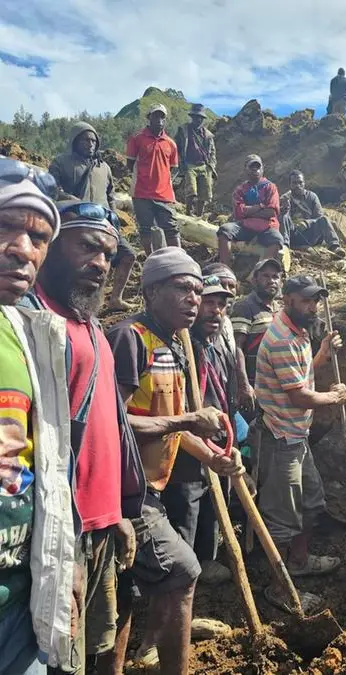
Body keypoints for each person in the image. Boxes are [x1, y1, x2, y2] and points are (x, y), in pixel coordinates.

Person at [107, 247, 244, 675]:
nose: (193, 299)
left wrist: (214, 459)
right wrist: (186, 418)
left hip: (152, 488)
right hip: (126, 489)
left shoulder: (177, 345)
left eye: (197, 290)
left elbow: (177, 430)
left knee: (127, 591)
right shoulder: (130, 338)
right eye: (183, 288)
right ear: (150, 291)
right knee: (183, 571)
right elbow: (113, 424)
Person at [28, 201, 144, 675]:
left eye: (109, 255)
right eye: (87, 247)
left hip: (99, 525)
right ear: (51, 246)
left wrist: (115, 511)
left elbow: (103, 429)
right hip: (57, 537)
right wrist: (61, 547)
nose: (100, 263)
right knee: (60, 660)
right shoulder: (33, 322)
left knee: (95, 649)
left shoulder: (92, 325)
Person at [0, 161, 76, 675]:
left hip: (19, 596)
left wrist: (59, 559)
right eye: (5, 227)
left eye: (38, 236)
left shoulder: (30, 335)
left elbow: (43, 462)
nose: (24, 249)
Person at [255, 275, 346, 613]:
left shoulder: (299, 331)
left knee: (311, 502)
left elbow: (302, 373)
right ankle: (279, 589)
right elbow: (299, 396)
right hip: (281, 438)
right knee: (282, 517)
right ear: (288, 298)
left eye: (315, 301)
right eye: (306, 300)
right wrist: (333, 397)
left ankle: (300, 561)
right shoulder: (280, 338)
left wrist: (321, 354)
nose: (312, 306)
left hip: (297, 436)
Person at [161, 274, 238, 587]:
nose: (215, 310)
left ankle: (207, 559)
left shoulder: (216, 345)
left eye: (221, 305)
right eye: (209, 302)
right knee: (187, 504)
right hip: (187, 443)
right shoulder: (179, 348)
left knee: (213, 502)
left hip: (218, 440)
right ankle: (182, 575)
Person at [49, 122, 136, 311]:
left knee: (128, 255)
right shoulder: (61, 162)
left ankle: (115, 299)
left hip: (104, 225)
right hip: (75, 223)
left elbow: (110, 194)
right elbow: (52, 189)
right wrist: (72, 201)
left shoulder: (104, 167)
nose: (90, 144)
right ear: (74, 141)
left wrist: (114, 218)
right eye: (85, 139)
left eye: (93, 140)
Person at [127, 104, 180, 254]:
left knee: (172, 228)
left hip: (164, 194)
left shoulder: (171, 144)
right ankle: (151, 259)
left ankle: (178, 258)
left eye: (162, 116)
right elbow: (130, 164)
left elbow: (172, 167)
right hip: (141, 193)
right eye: (156, 116)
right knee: (145, 229)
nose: (159, 119)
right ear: (149, 117)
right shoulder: (137, 139)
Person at [201, 262, 255, 411]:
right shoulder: (199, 332)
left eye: (231, 286)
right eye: (209, 302)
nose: (226, 290)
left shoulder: (226, 324)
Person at [217, 155, 284, 267]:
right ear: (245, 169)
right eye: (251, 168)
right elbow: (239, 212)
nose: (255, 170)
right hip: (245, 227)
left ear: (262, 169)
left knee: (277, 239)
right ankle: (225, 267)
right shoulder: (240, 189)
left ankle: (258, 272)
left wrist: (248, 211)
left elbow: (272, 212)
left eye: (258, 168)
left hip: (267, 228)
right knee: (224, 230)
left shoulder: (270, 187)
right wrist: (261, 206)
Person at [230, 258, 283, 386]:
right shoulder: (244, 307)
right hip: (256, 386)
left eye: (275, 277)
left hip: (277, 385)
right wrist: (244, 384)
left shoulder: (280, 310)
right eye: (265, 276)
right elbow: (237, 347)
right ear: (254, 280)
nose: (271, 281)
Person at [280, 171, 345, 257]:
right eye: (294, 183)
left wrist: (306, 223)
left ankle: (335, 248)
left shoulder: (312, 197)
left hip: (310, 234)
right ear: (290, 184)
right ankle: (285, 247)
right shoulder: (285, 198)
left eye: (300, 182)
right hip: (293, 233)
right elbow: (283, 219)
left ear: (304, 183)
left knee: (324, 219)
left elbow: (319, 217)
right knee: (283, 216)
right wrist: (284, 209)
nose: (298, 185)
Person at [175, 104, 217, 217]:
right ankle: (188, 213)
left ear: (203, 119)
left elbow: (212, 152)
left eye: (200, 118)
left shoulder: (207, 135)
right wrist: (180, 163)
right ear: (191, 117)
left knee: (204, 194)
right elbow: (177, 148)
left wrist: (211, 166)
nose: (197, 120)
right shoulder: (183, 131)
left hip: (204, 165)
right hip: (190, 165)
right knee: (191, 191)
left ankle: (199, 215)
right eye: (195, 117)